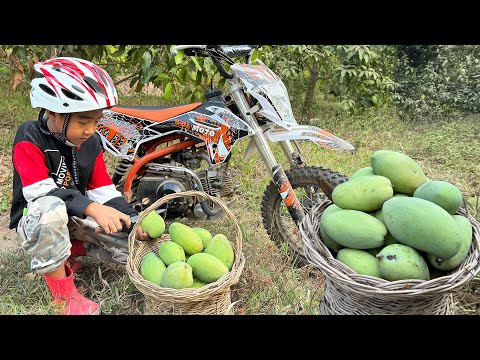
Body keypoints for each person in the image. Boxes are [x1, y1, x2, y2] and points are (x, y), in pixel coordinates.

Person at [9, 57, 151, 315]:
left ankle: (74, 250)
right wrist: (93, 209)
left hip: (75, 214)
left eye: (96, 122)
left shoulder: (91, 143)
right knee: (50, 211)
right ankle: (63, 299)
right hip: (35, 218)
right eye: (82, 122)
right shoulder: (29, 137)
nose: (90, 130)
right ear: (53, 112)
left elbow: (104, 191)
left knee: (133, 242)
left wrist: (133, 220)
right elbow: (40, 192)